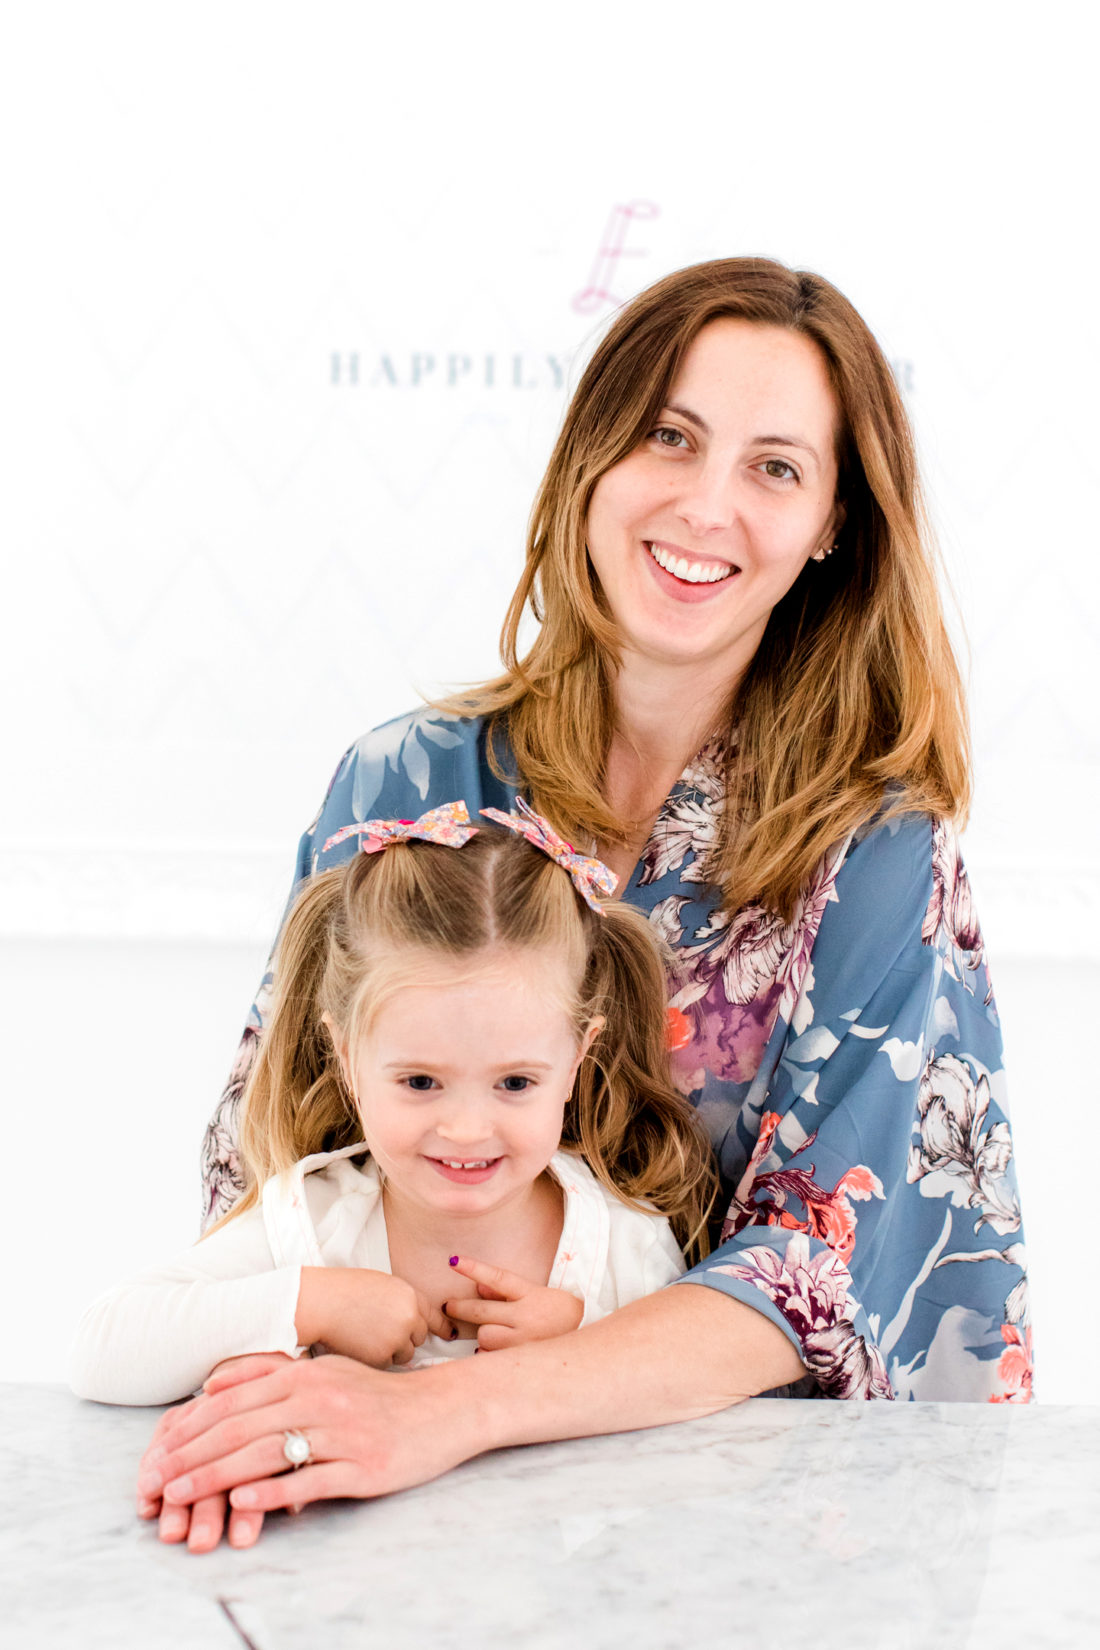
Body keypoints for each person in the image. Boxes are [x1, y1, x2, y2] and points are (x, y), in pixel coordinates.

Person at [136, 257, 1030, 1553]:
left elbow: (807, 1277)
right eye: (671, 434)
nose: (706, 503)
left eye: (776, 467)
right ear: (591, 458)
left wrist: (451, 1412)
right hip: (393, 1519)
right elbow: (265, 1163)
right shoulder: (403, 779)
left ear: (835, 522)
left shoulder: (878, 855)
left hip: (746, 1540)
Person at [72, 803, 716, 1421]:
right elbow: (103, 1350)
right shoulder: (313, 1225)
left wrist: (581, 1345)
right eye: (420, 1081)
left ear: (577, 1060)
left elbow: (702, 1429)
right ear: (348, 1059)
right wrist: (309, 1304)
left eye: (515, 1082)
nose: (466, 1128)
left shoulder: (620, 1241)